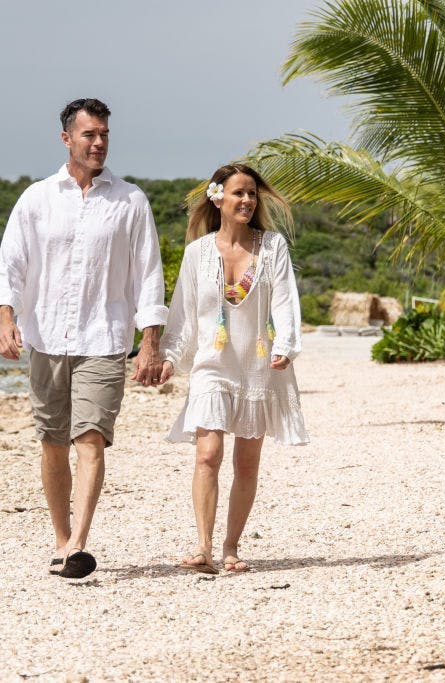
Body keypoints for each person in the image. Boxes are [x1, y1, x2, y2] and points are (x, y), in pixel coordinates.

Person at [0, 97, 168, 579]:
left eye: (104, 134)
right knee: (52, 442)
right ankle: (60, 537)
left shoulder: (130, 200)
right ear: (67, 138)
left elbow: (147, 275)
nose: (98, 143)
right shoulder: (37, 198)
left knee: (90, 437)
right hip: (46, 337)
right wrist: (7, 320)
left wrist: (150, 342)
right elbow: (11, 266)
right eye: (89, 135)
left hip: (104, 338)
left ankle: (79, 545)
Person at [158, 163, 308, 574]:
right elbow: (184, 315)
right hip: (212, 365)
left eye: (252, 194)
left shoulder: (272, 246)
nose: (247, 200)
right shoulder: (197, 253)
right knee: (207, 454)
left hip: (258, 365)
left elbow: (285, 301)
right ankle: (203, 547)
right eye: (239, 192)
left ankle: (231, 547)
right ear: (217, 197)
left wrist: (287, 345)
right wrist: (170, 357)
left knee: (246, 463)